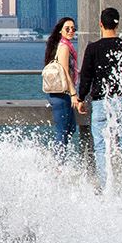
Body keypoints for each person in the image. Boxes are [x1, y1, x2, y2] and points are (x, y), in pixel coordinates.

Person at [77, 7, 122, 184]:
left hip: (100, 102)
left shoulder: (93, 48)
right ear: (117, 24)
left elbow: (86, 76)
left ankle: (106, 186)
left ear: (100, 24)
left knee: (101, 146)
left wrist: (81, 99)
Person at [43, 17, 81, 155]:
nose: (71, 31)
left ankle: (60, 159)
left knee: (70, 129)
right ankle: (58, 165)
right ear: (60, 30)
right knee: (63, 132)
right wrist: (73, 94)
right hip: (61, 94)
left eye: (73, 28)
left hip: (61, 94)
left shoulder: (64, 45)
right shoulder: (64, 47)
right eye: (67, 28)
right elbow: (65, 71)